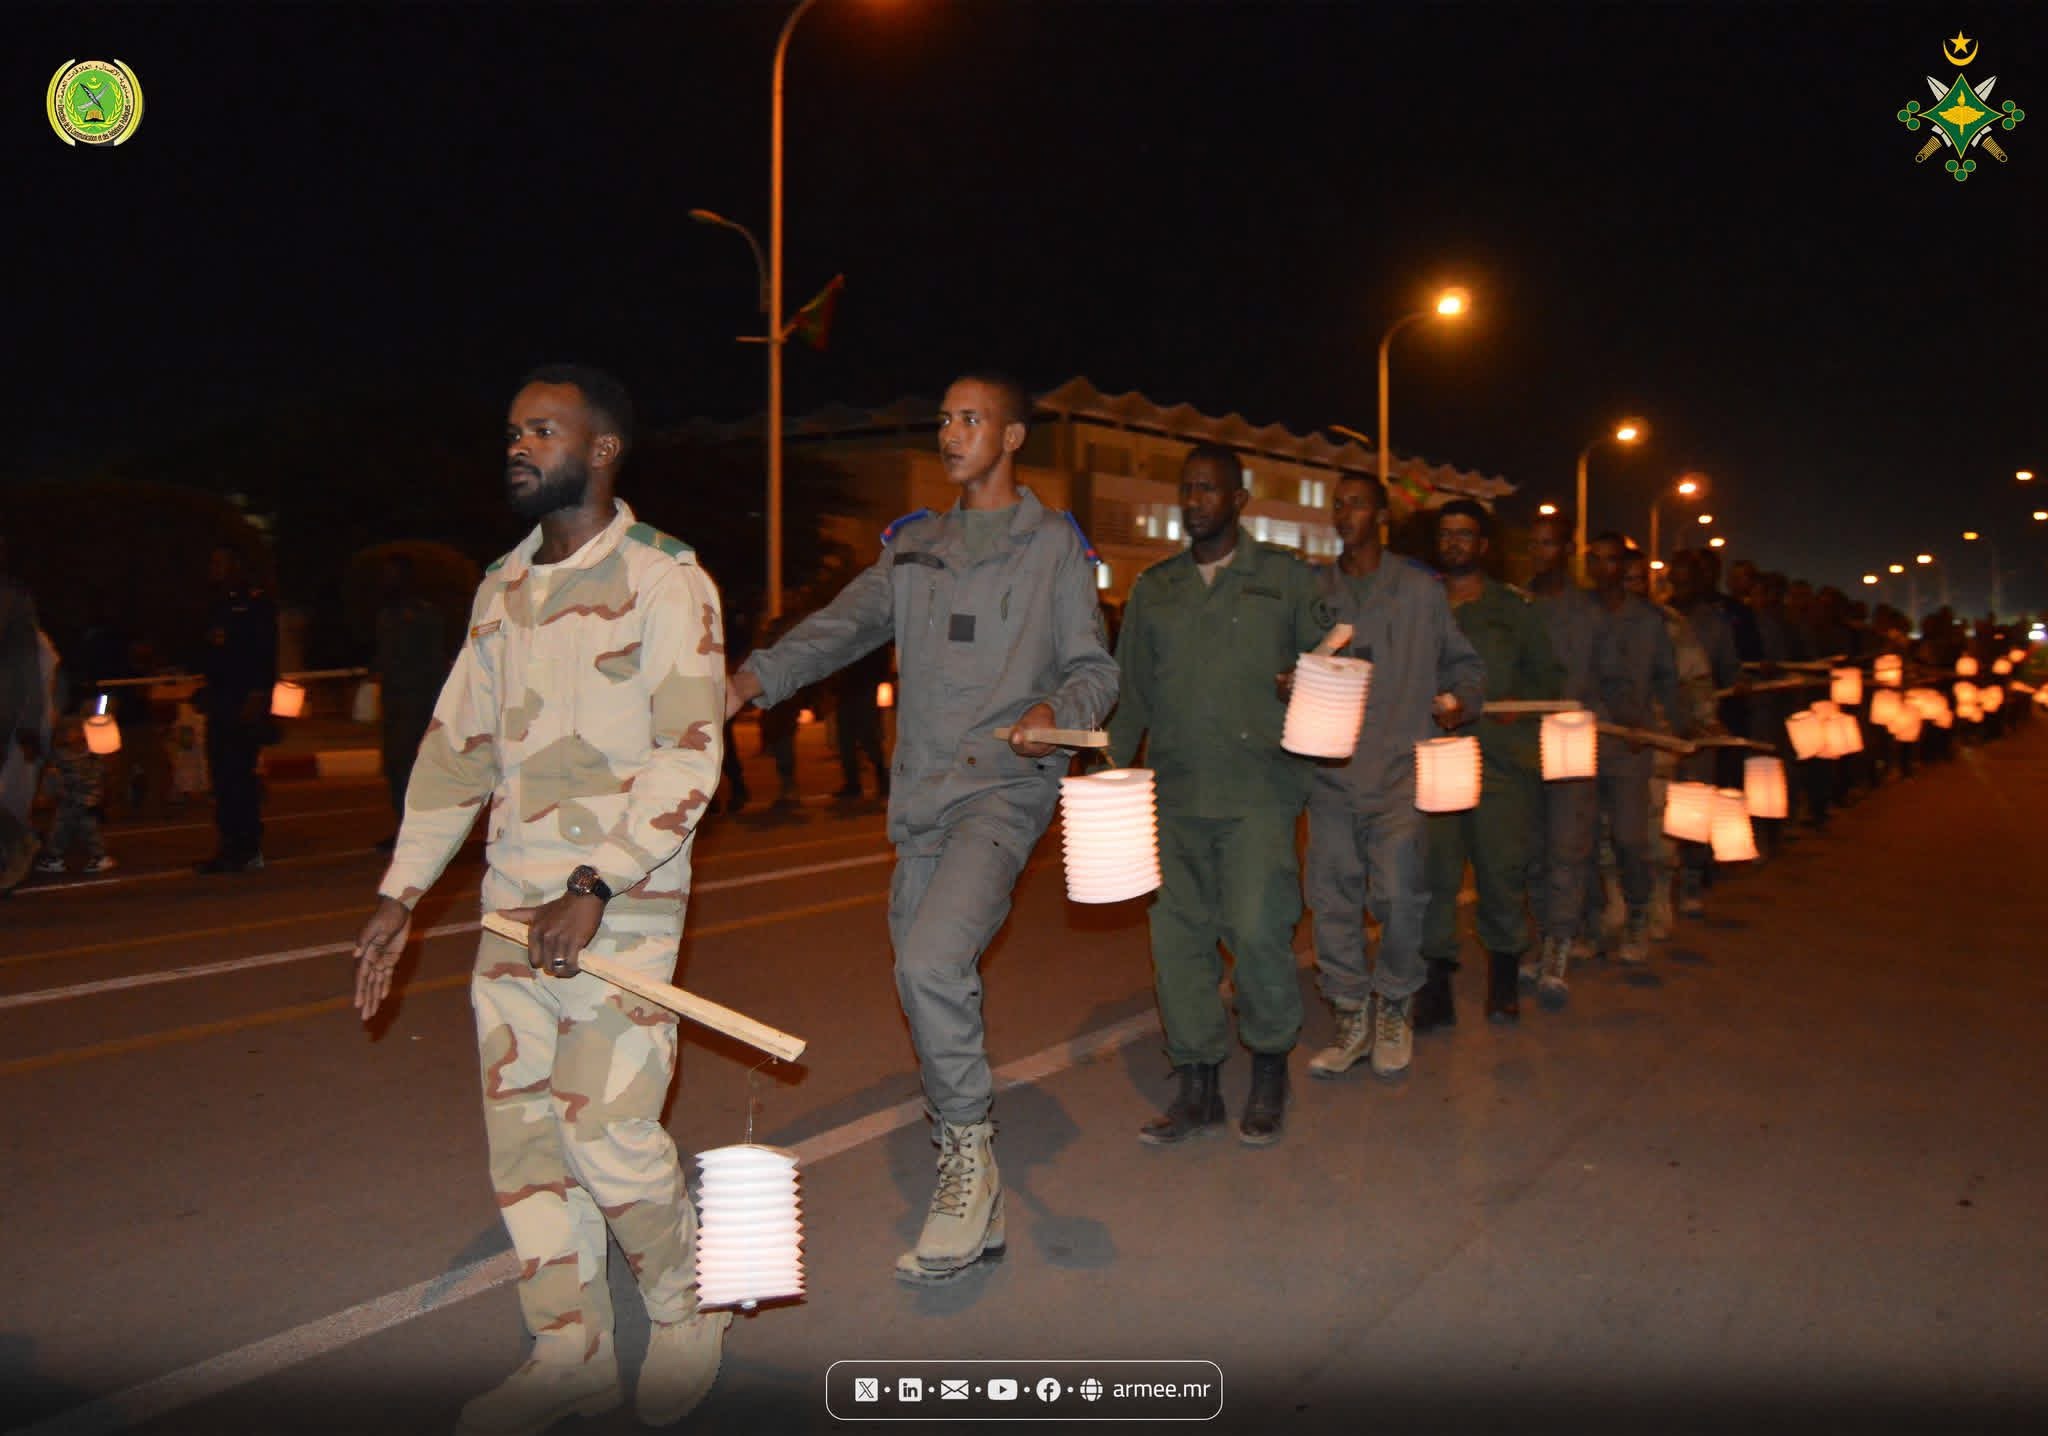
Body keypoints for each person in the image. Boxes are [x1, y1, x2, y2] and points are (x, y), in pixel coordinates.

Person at [351, 366, 732, 1435]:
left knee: (604, 1130)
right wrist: (401, 893)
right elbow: (456, 752)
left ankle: (685, 1303)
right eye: (511, 431)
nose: (516, 446)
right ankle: (569, 1349)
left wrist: (593, 882)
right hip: (511, 909)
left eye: (540, 430)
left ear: (601, 449)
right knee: (526, 1139)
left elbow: (689, 756)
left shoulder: (666, 579)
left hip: (621, 905)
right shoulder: (502, 588)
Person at [728, 371, 1117, 1284]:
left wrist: (1056, 710)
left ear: (1012, 437)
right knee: (923, 979)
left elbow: (1094, 668)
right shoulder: (914, 546)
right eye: (945, 418)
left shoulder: (1053, 548)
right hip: (921, 799)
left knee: (932, 963)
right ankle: (977, 1191)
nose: (951, 433)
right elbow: (843, 626)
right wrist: (753, 678)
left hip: (1002, 789)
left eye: (971, 419)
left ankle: (968, 1165)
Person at [1106, 443, 1324, 1146]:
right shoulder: (1156, 588)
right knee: (1179, 942)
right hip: (1173, 796)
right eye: (1187, 489)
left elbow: (1339, 668)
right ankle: (1197, 1083)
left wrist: (1308, 681)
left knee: (1259, 932)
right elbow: (1132, 693)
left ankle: (1269, 1068)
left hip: (1259, 791)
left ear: (1238, 500)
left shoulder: (1285, 579)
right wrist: (1105, 774)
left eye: (1208, 489)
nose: (1194, 501)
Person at [1303, 475, 1485, 1081]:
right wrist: (1287, 682)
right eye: (1337, 504)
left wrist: (1460, 700)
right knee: (1333, 901)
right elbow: (1289, 665)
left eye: (1356, 503)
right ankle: (1351, 1015)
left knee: (1401, 898)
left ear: (1381, 514)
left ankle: (1395, 1006)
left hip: (1400, 773)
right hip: (1331, 776)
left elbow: (1464, 664)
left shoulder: (1418, 590)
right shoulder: (1315, 590)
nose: (1344, 513)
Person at [1531, 533, 1693, 1002]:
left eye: (1612, 561)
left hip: (1629, 747)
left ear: (1625, 566)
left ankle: (1638, 912)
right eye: (1595, 560)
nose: (1603, 568)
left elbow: (1667, 679)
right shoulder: (1571, 611)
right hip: (1578, 741)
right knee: (1575, 841)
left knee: (1629, 838)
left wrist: (1682, 726)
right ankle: (1586, 925)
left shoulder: (1650, 620)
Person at [1419, 501, 1561, 1028]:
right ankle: (1436, 984)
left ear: (1483, 545)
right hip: (1436, 757)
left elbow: (1547, 683)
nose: (1454, 543)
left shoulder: (1514, 610)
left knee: (1501, 873)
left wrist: (1518, 717)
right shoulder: (1419, 606)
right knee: (1434, 874)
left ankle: (1504, 975)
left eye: (1465, 535)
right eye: (1445, 534)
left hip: (1498, 763)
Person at [193, 544, 278, 874]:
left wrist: (258, 696)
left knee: (239, 776)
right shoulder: (217, 605)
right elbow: (212, 656)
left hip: (243, 702)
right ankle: (230, 843)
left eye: (220, 562)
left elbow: (263, 655)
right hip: (221, 701)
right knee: (222, 777)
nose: (213, 569)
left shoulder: (254, 604)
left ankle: (247, 845)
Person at [372, 554, 452, 850]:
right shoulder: (386, 615)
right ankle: (404, 828)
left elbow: (434, 662)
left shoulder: (423, 615)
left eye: (393, 575)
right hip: (395, 703)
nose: (387, 581)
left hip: (417, 703)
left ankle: (424, 833)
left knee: (413, 770)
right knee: (395, 769)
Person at [36, 704, 115, 875]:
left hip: (80, 797)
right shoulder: (79, 751)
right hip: (78, 796)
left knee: (77, 828)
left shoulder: (78, 753)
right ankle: (57, 857)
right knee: (71, 827)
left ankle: (96, 857)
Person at [834, 640, 893, 801]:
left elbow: (882, 659)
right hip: (848, 688)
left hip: (864, 688)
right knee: (845, 738)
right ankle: (853, 783)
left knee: (867, 735)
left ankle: (882, 778)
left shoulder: (872, 635)